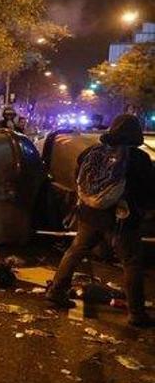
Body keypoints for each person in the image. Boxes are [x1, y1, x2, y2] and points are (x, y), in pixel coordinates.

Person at [45, 115, 154, 328]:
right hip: (123, 218)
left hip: (90, 215)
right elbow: (148, 191)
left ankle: (56, 290)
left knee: (75, 251)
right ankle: (136, 313)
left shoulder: (92, 152)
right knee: (131, 262)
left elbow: (78, 178)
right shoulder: (138, 158)